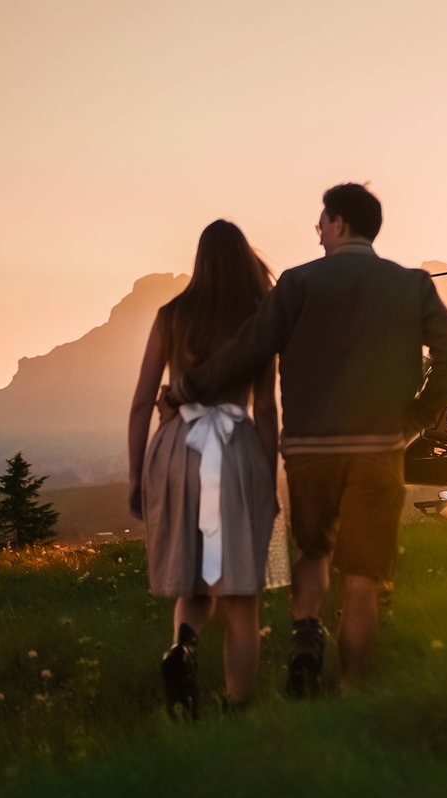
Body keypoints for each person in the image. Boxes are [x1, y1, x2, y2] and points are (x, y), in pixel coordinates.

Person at [169, 183, 447, 696]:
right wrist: (416, 419)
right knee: (363, 580)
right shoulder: (412, 285)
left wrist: (189, 388)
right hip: (379, 449)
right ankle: (351, 689)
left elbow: (249, 348)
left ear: (341, 223)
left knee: (314, 552)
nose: (317, 230)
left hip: (308, 450)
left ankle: (306, 633)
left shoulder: (298, 283)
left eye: (322, 220)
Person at [127, 219, 279, 718]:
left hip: (175, 448)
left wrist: (137, 478)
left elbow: (140, 404)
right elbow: (267, 409)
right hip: (233, 449)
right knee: (238, 593)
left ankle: (184, 650)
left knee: (193, 583)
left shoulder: (171, 316)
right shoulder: (255, 321)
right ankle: (237, 706)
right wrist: (268, 476)